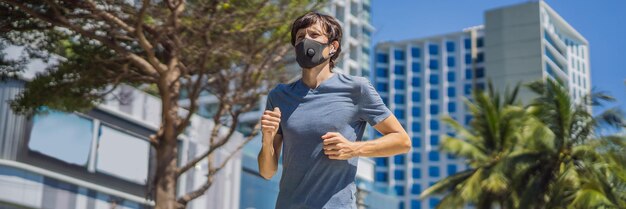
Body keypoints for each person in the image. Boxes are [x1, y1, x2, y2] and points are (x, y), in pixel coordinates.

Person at [258, 12, 411, 209]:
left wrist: (353, 149)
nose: (306, 40)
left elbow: (402, 141)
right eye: (300, 37)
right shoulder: (280, 96)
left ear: (333, 47)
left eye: (314, 35)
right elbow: (267, 172)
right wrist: (267, 138)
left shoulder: (357, 89)